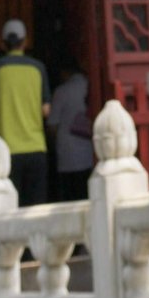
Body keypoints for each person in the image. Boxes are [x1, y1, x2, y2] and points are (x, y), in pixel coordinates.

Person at [0, 17, 51, 206]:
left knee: (9, 208)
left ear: (3, 44)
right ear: (25, 42)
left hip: (7, 152)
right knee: (36, 208)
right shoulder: (38, 68)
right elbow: (46, 110)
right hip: (36, 148)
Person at [45, 55, 94, 200]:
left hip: (68, 155)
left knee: (70, 197)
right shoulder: (90, 86)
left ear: (64, 72)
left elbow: (52, 125)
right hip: (90, 153)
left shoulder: (62, 91)